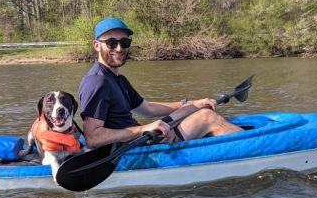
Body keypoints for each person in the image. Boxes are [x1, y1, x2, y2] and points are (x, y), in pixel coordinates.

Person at [78, 17, 242, 149]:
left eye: (125, 42)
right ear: (96, 45)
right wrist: (143, 129)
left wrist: (192, 103)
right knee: (207, 117)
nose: (120, 48)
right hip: (134, 148)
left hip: (142, 139)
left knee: (195, 109)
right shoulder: (97, 81)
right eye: (112, 43)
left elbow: (148, 109)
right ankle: (257, 149)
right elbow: (93, 138)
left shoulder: (117, 79)